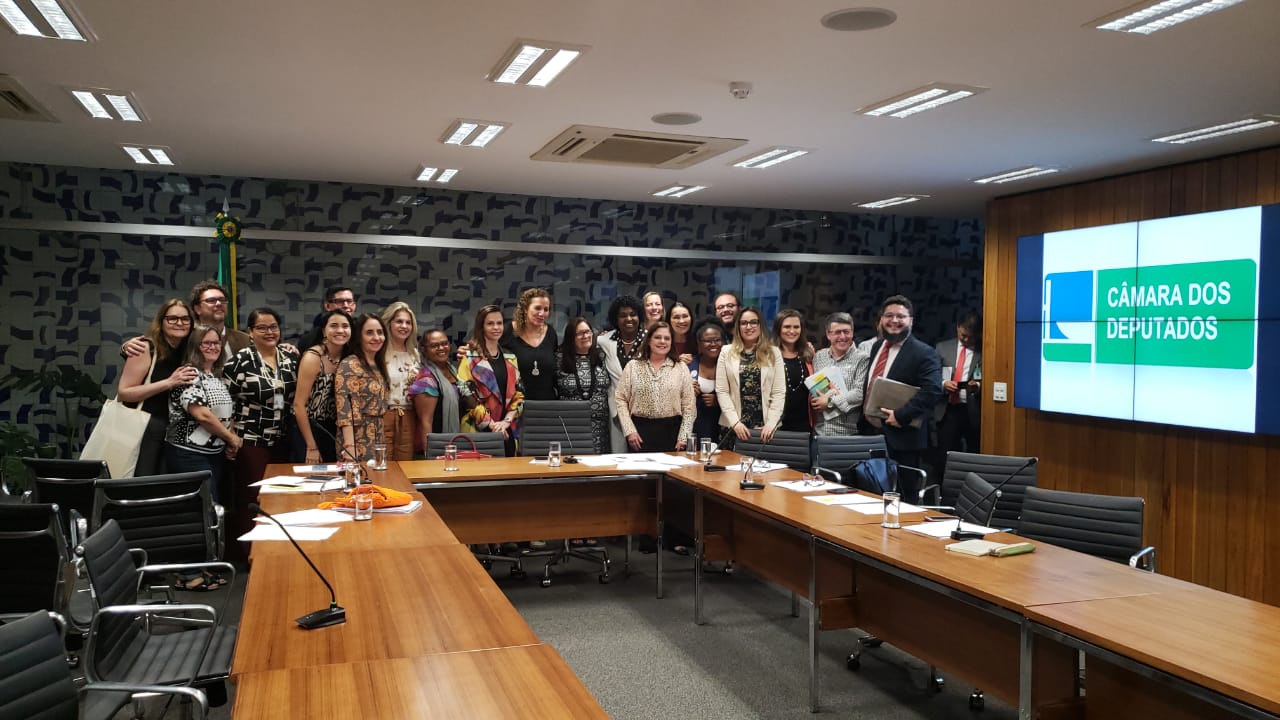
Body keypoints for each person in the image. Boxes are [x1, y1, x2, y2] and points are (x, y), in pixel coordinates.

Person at [115, 299, 198, 476]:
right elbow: (124, 392)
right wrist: (169, 382)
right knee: (140, 480)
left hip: (172, 431)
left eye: (185, 319)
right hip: (143, 427)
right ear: (161, 321)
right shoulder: (145, 347)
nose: (179, 323)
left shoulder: (188, 350)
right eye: (172, 318)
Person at [862, 295, 943, 469]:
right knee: (870, 483)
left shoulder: (924, 353)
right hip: (871, 433)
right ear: (881, 319)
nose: (894, 320)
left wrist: (901, 415)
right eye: (889, 315)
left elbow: (933, 390)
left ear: (911, 321)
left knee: (903, 485)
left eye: (900, 316)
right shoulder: (877, 346)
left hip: (903, 438)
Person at [164, 324, 242, 500]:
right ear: (195, 346)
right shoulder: (188, 374)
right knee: (206, 506)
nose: (213, 347)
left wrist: (229, 438)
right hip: (189, 454)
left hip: (214, 453)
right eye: (206, 343)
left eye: (216, 343)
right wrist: (231, 439)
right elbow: (203, 415)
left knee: (213, 504)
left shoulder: (215, 375)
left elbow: (225, 413)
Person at [225, 308, 299, 483]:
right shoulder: (239, 361)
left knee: (281, 490)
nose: (269, 332)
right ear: (250, 332)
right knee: (254, 491)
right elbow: (227, 402)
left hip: (283, 439)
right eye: (262, 328)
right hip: (251, 439)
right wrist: (230, 437)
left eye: (273, 327)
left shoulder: (290, 359)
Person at [121, 280, 252, 363]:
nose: (219, 304)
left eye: (222, 300)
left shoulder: (245, 339)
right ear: (197, 309)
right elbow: (157, 348)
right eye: (211, 300)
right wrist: (126, 347)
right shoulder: (184, 335)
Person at [615, 322, 695, 452]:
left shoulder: (680, 368)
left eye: (667, 338)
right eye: (657, 337)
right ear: (649, 340)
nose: (662, 341)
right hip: (639, 434)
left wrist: (684, 436)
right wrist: (629, 431)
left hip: (672, 433)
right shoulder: (633, 366)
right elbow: (620, 399)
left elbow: (689, 406)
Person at [458, 305, 524, 454]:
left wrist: (506, 422)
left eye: (499, 323)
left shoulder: (510, 357)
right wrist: (493, 425)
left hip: (508, 430)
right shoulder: (470, 357)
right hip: (478, 431)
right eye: (490, 323)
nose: (496, 327)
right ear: (481, 327)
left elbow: (519, 395)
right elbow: (467, 395)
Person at [716, 307, 786, 443]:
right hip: (733, 426)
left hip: (765, 429)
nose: (749, 327)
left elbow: (778, 392)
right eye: (744, 323)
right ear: (738, 327)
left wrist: (771, 423)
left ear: (760, 325)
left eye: (753, 322)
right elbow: (722, 391)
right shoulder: (726, 352)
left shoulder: (774, 352)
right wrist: (735, 423)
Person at [292, 309, 352, 464]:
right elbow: (298, 405)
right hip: (310, 428)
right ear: (324, 331)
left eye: (345, 326)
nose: (340, 330)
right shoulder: (313, 357)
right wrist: (311, 446)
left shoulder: (349, 357)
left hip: (335, 428)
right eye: (334, 326)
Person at [933, 312, 983, 471]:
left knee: (974, 452)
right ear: (957, 328)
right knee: (945, 454)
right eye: (963, 335)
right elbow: (932, 376)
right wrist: (943, 384)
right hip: (948, 408)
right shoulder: (942, 348)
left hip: (972, 409)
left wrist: (978, 386)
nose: (967, 340)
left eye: (971, 337)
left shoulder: (984, 350)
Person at [336, 313, 389, 463]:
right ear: (359, 336)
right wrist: (350, 446)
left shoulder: (378, 364)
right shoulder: (350, 364)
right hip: (356, 437)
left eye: (380, 332)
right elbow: (345, 410)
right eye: (369, 333)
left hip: (378, 435)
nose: (376, 337)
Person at [556, 317, 612, 453]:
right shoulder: (559, 359)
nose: (586, 336)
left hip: (600, 427)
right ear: (571, 337)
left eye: (588, 332)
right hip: (571, 426)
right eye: (580, 333)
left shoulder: (602, 356)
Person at [597, 295, 646, 452]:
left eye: (633, 314)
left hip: (644, 410)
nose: (628, 319)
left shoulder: (649, 340)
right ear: (615, 319)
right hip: (616, 412)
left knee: (644, 456)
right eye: (623, 315)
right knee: (619, 456)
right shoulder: (604, 340)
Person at [812, 311, 870, 437]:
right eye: (837, 332)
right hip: (820, 432)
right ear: (828, 334)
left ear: (852, 332)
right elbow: (817, 389)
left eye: (846, 332)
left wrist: (830, 401)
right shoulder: (819, 356)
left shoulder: (863, 358)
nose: (843, 337)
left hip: (848, 434)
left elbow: (859, 393)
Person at [380, 301, 422, 460]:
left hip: (409, 416)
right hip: (383, 415)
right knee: (383, 462)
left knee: (406, 465)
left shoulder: (415, 353)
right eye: (399, 321)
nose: (404, 326)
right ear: (389, 323)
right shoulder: (379, 351)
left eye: (408, 322)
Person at [503, 288, 558, 401]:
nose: (542, 313)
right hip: (515, 404)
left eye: (546, 309)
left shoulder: (551, 333)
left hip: (547, 402)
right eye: (537, 308)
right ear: (525, 309)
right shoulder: (507, 331)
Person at [409, 328, 463, 442]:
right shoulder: (426, 380)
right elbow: (425, 422)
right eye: (434, 346)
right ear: (424, 349)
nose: (441, 348)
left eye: (444, 343)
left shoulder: (454, 371)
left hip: (456, 441)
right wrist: (428, 451)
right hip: (438, 444)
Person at [772, 309, 814, 434]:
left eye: (796, 327)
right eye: (787, 327)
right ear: (778, 329)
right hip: (775, 425)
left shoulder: (809, 354)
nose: (792, 331)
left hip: (804, 425)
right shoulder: (768, 355)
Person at [688, 318, 728, 444]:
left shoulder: (730, 366)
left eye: (717, 340)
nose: (713, 344)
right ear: (699, 344)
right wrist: (687, 392)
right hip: (693, 429)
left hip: (721, 429)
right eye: (707, 340)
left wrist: (719, 401)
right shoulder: (688, 364)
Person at [297, 286, 356, 351]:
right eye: (339, 301)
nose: (346, 305)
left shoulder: (361, 330)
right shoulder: (310, 339)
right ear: (327, 306)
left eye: (349, 301)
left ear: (354, 305)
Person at [668, 300, 695, 364]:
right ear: (669, 320)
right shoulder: (663, 342)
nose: (681, 321)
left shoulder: (698, 341)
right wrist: (676, 361)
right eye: (676, 317)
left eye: (685, 316)